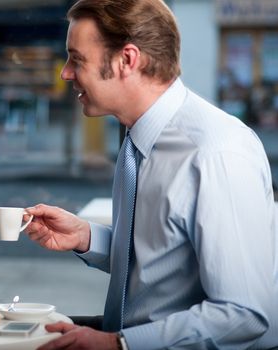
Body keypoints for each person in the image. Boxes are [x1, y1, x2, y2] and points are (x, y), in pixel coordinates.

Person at [24, 0, 278, 349]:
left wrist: (119, 343)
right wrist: (87, 237)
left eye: (77, 59)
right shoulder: (140, 140)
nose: (66, 73)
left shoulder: (215, 153)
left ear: (127, 59)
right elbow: (164, 265)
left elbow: (244, 312)